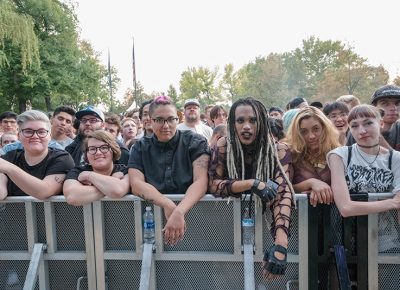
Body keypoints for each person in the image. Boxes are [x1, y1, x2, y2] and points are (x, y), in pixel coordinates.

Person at [208, 97, 294, 280]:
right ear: (232, 123)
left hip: (265, 221)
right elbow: (214, 185)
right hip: (228, 222)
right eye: (240, 120)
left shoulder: (278, 150)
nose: (246, 126)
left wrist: (280, 244)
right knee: (233, 276)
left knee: (265, 277)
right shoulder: (224, 145)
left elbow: (282, 192)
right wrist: (252, 183)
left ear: (261, 122)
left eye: (252, 120)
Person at [129, 96, 210, 246]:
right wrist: (168, 204)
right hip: (151, 222)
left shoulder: (196, 141)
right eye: (159, 120)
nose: (166, 125)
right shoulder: (140, 147)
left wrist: (179, 211)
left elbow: (201, 181)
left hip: (195, 217)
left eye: (171, 119)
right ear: (150, 121)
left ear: (177, 120)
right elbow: (136, 184)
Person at [0, 110, 74, 200]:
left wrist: (9, 168)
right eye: (28, 131)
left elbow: (44, 191)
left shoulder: (62, 159)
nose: (35, 136)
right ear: (19, 136)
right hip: (14, 214)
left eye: (41, 132)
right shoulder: (9, 158)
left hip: (50, 214)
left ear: (49, 136)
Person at [284, 106, 340, 206]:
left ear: (325, 128)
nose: (311, 136)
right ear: (297, 133)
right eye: (304, 132)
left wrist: (324, 190)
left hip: (334, 214)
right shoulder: (290, 154)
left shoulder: (338, 152)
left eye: (316, 129)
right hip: (300, 215)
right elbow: (283, 187)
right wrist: (310, 183)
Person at [64, 130, 130, 206]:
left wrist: (89, 176)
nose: (98, 153)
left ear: (113, 150)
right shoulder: (77, 172)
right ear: (86, 154)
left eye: (104, 148)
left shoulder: (125, 171)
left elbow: (118, 191)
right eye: (92, 149)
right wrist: (112, 181)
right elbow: (72, 197)